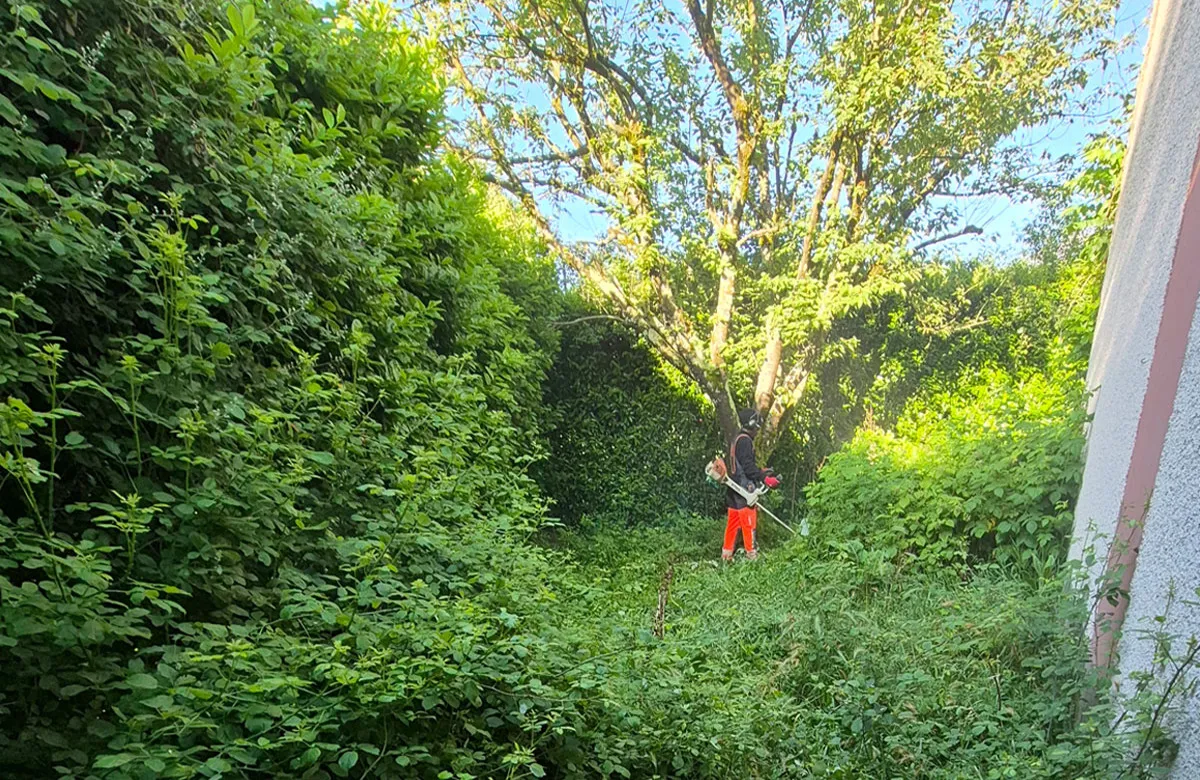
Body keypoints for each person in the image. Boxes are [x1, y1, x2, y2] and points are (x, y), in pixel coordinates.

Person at [723, 409, 780, 561]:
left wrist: (761, 471)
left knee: (733, 524)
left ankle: (726, 556)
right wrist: (764, 478)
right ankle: (752, 557)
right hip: (743, 488)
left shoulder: (737, 439)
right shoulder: (746, 441)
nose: (757, 431)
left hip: (732, 487)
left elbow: (741, 464)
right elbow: (747, 467)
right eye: (757, 427)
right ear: (752, 425)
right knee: (749, 523)